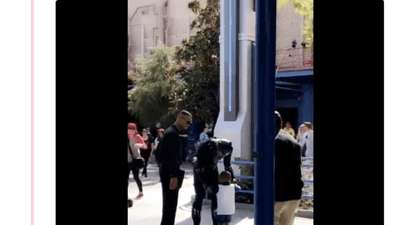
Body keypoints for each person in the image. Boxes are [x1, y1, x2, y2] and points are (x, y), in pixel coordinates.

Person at [156, 110, 193, 225]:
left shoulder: (170, 132)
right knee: (170, 207)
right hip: (170, 174)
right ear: (180, 119)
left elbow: (159, 154)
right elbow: (171, 157)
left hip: (166, 172)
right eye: (187, 122)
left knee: (168, 207)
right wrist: (173, 176)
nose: (188, 125)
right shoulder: (172, 134)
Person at [192, 138, 235, 225]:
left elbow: (227, 165)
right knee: (200, 195)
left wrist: (232, 179)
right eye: (220, 154)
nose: (221, 156)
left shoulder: (228, 148)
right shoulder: (205, 147)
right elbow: (199, 167)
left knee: (215, 195)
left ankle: (216, 222)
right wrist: (206, 184)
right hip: (200, 169)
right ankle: (196, 222)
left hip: (212, 168)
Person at [274, 111, 304, 225]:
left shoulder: (270, 141)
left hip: (277, 194)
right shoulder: (293, 141)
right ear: (281, 124)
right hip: (294, 194)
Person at [128, 123, 147, 199]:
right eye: (128, 128)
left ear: (134, 130)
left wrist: (138, 145)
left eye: (131, 129)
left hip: (135, 159)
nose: (129, 130)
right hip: (128, 160)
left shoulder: (137, 136)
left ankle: (141, 191)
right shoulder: (127, 137)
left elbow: (144, 146)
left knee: (136, 177)